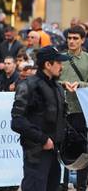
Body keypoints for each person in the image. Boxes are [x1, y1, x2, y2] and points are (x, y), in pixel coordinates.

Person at [11, 45, 70, 191]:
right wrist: (43, 139)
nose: (61, 66)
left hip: (54, 153)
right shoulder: (28, 86)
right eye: (58, 63)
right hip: (36, 153)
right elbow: (17, 121)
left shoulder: (57, 88)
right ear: (48, 64)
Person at [59, 26, 88, 190]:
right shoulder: (60, 58)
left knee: (82, 149)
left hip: (81, 110)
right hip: (61, 110)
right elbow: (50, 80)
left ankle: (82, 186)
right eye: (69, 38)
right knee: (61, 148)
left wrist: (80, 85)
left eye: (75, 38)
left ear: (82, 40)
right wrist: (62, 84)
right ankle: (62, 183)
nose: (71, 41)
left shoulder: (87, 59)